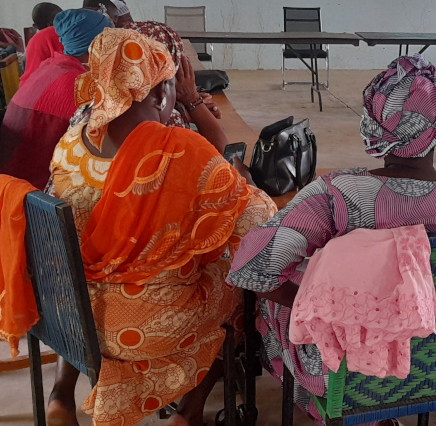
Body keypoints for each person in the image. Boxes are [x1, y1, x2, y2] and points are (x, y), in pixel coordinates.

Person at [227, 55, 436, 424]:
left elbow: (250, 271)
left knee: (271, 307)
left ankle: (350, 408)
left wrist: (334, 305)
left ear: (372, 122)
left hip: (350, 368)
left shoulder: (334, 197)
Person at [36, 29, 278, 426]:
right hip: (144, 326)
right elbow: (257, 216)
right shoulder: (180, 149)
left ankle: (61, 397)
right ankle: (188, 413)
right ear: (158, 94)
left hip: (73, 317)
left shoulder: (70, 142)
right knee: (241, 281)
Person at [0, 9, 112, 189]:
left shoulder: (51, 66)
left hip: (7, 185)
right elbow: (107, 144)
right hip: (34, 198)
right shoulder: (80, 85)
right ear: (97, 46)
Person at [23, 2, 65, 81]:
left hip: (29, 87)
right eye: (61, 18)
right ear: (51, 24)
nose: (66, 20)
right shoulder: (56, 35)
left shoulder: (33, 41)